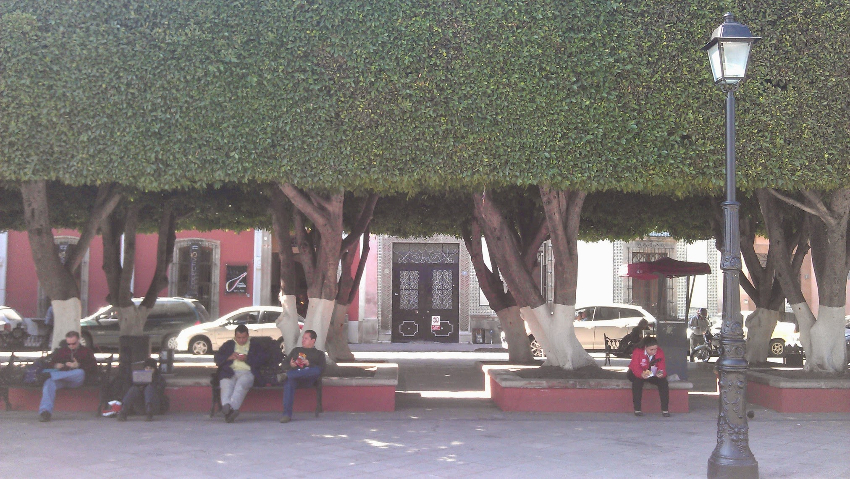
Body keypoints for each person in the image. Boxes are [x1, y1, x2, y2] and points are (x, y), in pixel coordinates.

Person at [214, 324, 268, 423]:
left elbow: (262, 360)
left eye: (244, 338)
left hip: (247, 372)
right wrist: (229, 357)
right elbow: (217, 358)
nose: (241, 340)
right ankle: (230, 410)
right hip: (229, 371)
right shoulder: (229, 344)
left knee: (241, 385)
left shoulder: (255, 345)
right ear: (235, 336)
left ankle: (228, 409)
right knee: (226, 385)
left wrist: (247, 358)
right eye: (239, 338)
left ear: (248, 336)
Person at [38, 330, 96, 422]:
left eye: (73, 343)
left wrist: (78, 365)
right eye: (69, 344)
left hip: (76, 379)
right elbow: (51, 363)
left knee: (79, 372)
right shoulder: (62, 351)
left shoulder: (86, 351)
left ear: (79, 340)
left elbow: (93, 367)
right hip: (61, 379)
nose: (71, 346)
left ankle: (52, 375)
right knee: (49, 383)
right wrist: (56, 365)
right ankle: (45, 412)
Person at [279, 329, 325, 424]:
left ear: (313, 341)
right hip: (295, 379)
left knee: (315, 370)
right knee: (289, 383)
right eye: (303, 338)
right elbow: (284, 364)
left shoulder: (319, 354)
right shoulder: (296, 350)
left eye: (306, 338)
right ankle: (286, 415)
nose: (303, 340)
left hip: (309, 379)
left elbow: (322, 369)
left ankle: (287, 375)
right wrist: (291, 365)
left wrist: (309, 364)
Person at [627, 337, 670, 417]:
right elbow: (635, 366)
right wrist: (641, 374)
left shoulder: (660, 352)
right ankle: (637, 409)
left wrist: (660, 373)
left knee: (663, 382)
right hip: (635, 372)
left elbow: (662, 367)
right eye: (651, 350)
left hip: (651, 372)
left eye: (655, 349)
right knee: (637, 382)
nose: (654, 352)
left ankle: (665, 410)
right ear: (645, 347)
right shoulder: (638, 351)